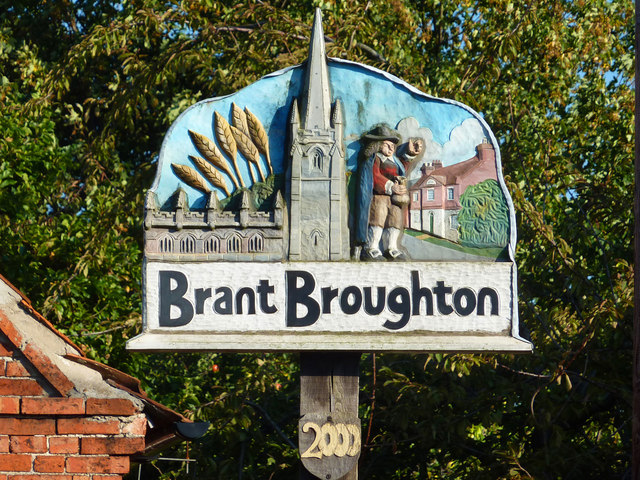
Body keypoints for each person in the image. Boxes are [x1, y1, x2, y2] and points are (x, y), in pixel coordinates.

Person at [355, 124, 418, 260]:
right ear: (378, 145)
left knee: (394, 219)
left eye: (393, 146)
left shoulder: (394, 161)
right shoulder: (375, 159)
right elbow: (375, 176)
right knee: (378, 218)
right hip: (380, 197)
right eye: (387, 145)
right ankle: (371, 247)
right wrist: (390, 186)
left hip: (394, 199)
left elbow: (403, 169)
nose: (391, 148)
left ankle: (391, 247)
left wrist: (410, 154)